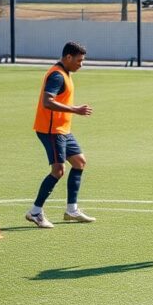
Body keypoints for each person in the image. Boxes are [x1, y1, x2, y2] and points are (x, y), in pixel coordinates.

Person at [26, 41, 96, 229]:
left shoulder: (65, 73)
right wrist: (75, 109)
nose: (81, 64)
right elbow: (47, 102)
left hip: (63, 129)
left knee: (79, 162)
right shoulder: (57, 76)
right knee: (58, 170)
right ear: (68, 57)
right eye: (79, 60)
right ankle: (35, 212)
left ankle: (71, 210)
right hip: (51, 130)